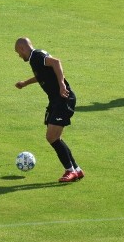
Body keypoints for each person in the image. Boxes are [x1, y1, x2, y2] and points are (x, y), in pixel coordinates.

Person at [14, 37, 84, 183]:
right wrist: (25, 83)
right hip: (55, 101)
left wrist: (62, 85)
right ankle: (76, 169)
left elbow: (56, 62)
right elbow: (42, 75)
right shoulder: (35, 59)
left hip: (63, 99)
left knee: (52, 137)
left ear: (22, 48)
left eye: (18, 53)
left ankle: (70, 171)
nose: (19, 56)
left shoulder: (37, 56)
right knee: (54, 137)